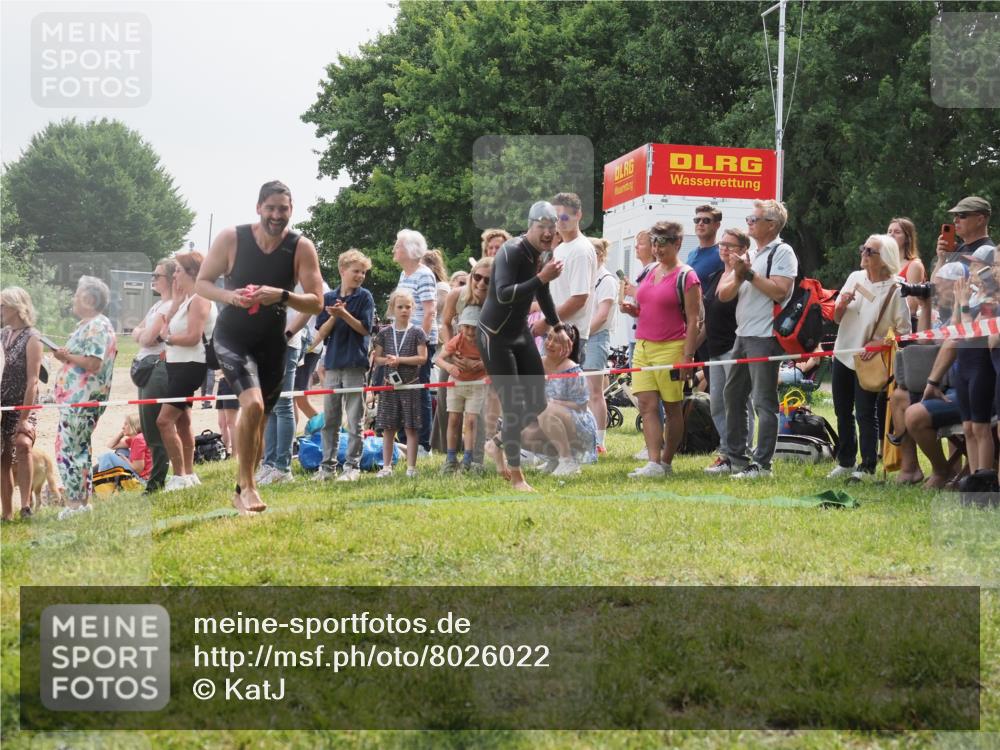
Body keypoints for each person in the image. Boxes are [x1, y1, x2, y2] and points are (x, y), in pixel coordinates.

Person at [195, 180, 324, 515]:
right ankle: (249, 487)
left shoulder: (300, 247)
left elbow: (316, 302)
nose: (277, 215)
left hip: (272, 342)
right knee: (250, 405)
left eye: (284, 209)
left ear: (291, 210)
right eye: (271, 208)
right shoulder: (232, 238)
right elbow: (203, 282)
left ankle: (241, 488)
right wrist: (231, 297)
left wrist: (280, 295)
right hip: (232, 337)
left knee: (261, 418)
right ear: (258, 208)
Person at [477, 201, 563, 492]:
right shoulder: (511, 252)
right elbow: (502, 294)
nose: (548, 234)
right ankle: (516, 478)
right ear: (531, 226)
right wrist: (541, 277)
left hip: (520, 334)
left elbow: (542, 290)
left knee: (538, 402)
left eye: (553, 229)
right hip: (495, 336)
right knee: (513, 406)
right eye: (543, 228)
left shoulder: (541, 254)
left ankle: (496, 443)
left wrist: (558, 325)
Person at [715, 199, 798, 479]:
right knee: (733, 396)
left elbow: (780, 292)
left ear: (771, 225)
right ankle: (737, 459)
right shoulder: (753, 253)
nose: (749, 222)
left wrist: (747, 274)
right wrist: (740, 275)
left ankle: (762, 465)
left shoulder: (783, 252)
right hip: (742, 334)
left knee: (764, 402)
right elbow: (723, 295)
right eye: (749, 218)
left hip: (764, 336)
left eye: (754, 218)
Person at [621, 221, 701, 477]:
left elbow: (693, 320)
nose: (656, 248)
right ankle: (653, 462)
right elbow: (646, 306)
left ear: (677, 243)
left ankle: (666, 461)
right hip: (643, 345)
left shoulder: (687, 276)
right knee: (646, 404)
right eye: (654, 242)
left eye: (662, 242)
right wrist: (633, 310)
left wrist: (688, 357)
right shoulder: (649, 270)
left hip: (672, 348)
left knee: (672, 406)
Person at [827, 235, 910, 481]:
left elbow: (905, 331)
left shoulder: (896, 288)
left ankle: (868, 465)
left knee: (865, 412)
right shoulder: (855, 277)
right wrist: (840, 305)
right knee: (842, 410)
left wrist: (880, 343)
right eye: (863, 247)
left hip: (868, 360)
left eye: (869, 250)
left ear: (884, 259)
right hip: (842, 353)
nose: (863, 252)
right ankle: (845, 460)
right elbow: (836, 318)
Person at [52, 276, 117, 519]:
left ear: (89, 299)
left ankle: (75, 505)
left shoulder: (97, 326)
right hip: (75, 400)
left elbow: (93, 363)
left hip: (82, 400)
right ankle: (80, 503)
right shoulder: (87, 324)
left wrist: (66, 357)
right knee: (75, 450)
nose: (73, 298)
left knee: (70, 451)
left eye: (77, 294)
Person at [156, 252, 217, 491]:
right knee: (182, 421)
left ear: (192, 272)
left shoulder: (200, 299)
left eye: (179, 270)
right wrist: (173, 309)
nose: (175, 275)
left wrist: (168, 339)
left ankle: (179, 475)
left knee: (164, 421)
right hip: (177, 365)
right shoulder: (187, 300)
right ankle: (189, 474)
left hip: (190, 366)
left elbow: (192, 337)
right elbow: (167, 328)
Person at [313, 249, 375, 483]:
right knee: (330, 419)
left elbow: (365, 328)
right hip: (332, 365)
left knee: (354, 419)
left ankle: (352, 467)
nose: (360, 276)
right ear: (342, 270)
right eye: (356, 271)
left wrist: (344, 313)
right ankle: (327, 468)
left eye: (363, 272)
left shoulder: (365, 297)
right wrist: (334, 315)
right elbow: (321, 333)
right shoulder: (328, 298)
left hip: (354, 365)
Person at [701, 229, 755, 471]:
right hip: (713, 348)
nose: (724, 248)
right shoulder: (715, 276)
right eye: (722, 244)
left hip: (734, 347)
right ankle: (726, 452)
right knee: (718, 405)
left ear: (743, 250)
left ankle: (742, 452)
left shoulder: (743, 277)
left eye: (730, 245)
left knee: (739, 403)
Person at [441, 256, 495, 471]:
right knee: (451, 414)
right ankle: (450, 459)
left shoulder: (497, 301)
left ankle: (474, 462)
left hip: (485, 362)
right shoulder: (456, 295)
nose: (481, 283)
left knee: (476, 417)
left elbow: (502, 339)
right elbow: (445, 323)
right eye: (478, 277)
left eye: (488, 280)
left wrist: (483, 363)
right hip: (456, 355)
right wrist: (451, 353)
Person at [130, 259, 176, 492]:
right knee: (147, 427)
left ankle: (157, 480)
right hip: (145, 366)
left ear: (170, 278)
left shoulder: (168, 307)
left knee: (154, 425)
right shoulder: (156, 307)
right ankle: (156, 478)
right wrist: (143, 333)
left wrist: (144, 334)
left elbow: (147, 338)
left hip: (157, 367)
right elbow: (136, 331)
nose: (153, 279)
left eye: (157, 275)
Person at [528, 323, 598, 476]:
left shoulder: (572, 369)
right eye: (549, 338)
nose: (550, 344)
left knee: (545, 409)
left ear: (568, 345)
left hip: (578, 423)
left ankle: (568, 461)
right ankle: (555, 458)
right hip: (548, 417)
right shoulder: (538, 363)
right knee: (522, 433)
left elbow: (581, 405)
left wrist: (554, 403)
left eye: (557, 341)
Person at [373, 289, 428, 478]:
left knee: (411, 428)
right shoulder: (385, 333)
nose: (404, 310)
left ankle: (411, 468)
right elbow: (377, 358)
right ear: (392, 309)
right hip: (389, 385)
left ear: (413, 309)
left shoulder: (417, 332)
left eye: (408, 307)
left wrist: (400, 360)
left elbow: (422, 358)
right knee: (388, 429)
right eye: (400, 307)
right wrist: (387, 361)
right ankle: (386, 467)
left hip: (410, 386)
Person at [393, 229, 438, 454]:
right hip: (403, 341)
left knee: (419, 392)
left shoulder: (424, 275)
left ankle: (422, 444)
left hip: (419, 343)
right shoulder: (404, 275)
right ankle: (405, 442)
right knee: (403, 391)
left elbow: (430, 312)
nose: (394, 249)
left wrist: (418, 342)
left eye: (398, 245)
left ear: (410, 250)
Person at [1, 287, 43, 521]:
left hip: (23, 403)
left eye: (2, 306)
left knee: (23, 443)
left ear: (16, 308)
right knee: (3, 455)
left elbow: (33, 380)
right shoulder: (2, 335)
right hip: (1, 404)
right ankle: (6, 512)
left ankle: (25, 506)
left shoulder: (32, 337)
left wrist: (25, 418)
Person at [435, 305, 487, 473]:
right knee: (454, 420)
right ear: (461, 327)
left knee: (471, 421)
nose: (471, 332)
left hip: (476, 385)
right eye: (467, 327)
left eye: (474, 327)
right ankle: (451, 459)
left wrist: (479, 364)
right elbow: (439, 359)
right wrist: (449, 368)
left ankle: (468, 459)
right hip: (456, 384)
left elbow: (494, 361)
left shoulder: (485, 341)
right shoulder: (458, 339)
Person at [548, 192, 597, 350]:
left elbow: (579, 299)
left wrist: (548, 320)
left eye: (563, 217)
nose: (559, 223)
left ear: (578, 215)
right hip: (556, 331)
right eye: (555, 218)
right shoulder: (560, 249)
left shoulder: (580, 250)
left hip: (570, 335)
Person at [585, 237, 618, 455]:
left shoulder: (606, 280)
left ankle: (599, 442)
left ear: (599, 256)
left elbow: (602, 315)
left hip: (595, 338)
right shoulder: (587, 277)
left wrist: (582, 335)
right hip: (583, 337)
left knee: (594, 392)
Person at [423, 248, 453, 453]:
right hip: (433, 342)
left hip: (439, 343)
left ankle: (437, 442)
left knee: (436, 395)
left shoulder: (441, 286)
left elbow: (437, 311)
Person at [932, 196, 993, 272]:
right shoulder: (957, 250)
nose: (955, 220)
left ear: (980, 220)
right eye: (955, 215)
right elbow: (936, 283)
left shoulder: (990, 253)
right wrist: (941, 258)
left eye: (962, 215)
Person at [887, 217, 925, 321]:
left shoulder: (914, 265)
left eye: (897, 232)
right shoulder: (883, 264)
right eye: (889, 231)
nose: (891, 235)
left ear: (907, 238)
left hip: (903, 325)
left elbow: (912, 307)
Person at [97, 415, 151, 482]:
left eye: (126, 424)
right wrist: (121, 434)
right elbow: (111, 445)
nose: (123, 427)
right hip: (139, 474)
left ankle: (102, 483)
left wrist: (125, 459)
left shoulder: (138, 440)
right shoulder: (135, 438)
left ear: (134, 425)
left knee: (107, 456)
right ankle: (103, 477)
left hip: (141, 479)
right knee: (121, 450)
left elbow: (138, 469)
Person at [216, 375, 239, 458]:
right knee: (221, 423)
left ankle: (234, 454)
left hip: (232, 381)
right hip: (222, 381)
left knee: (231, 423)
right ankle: (225, 452)